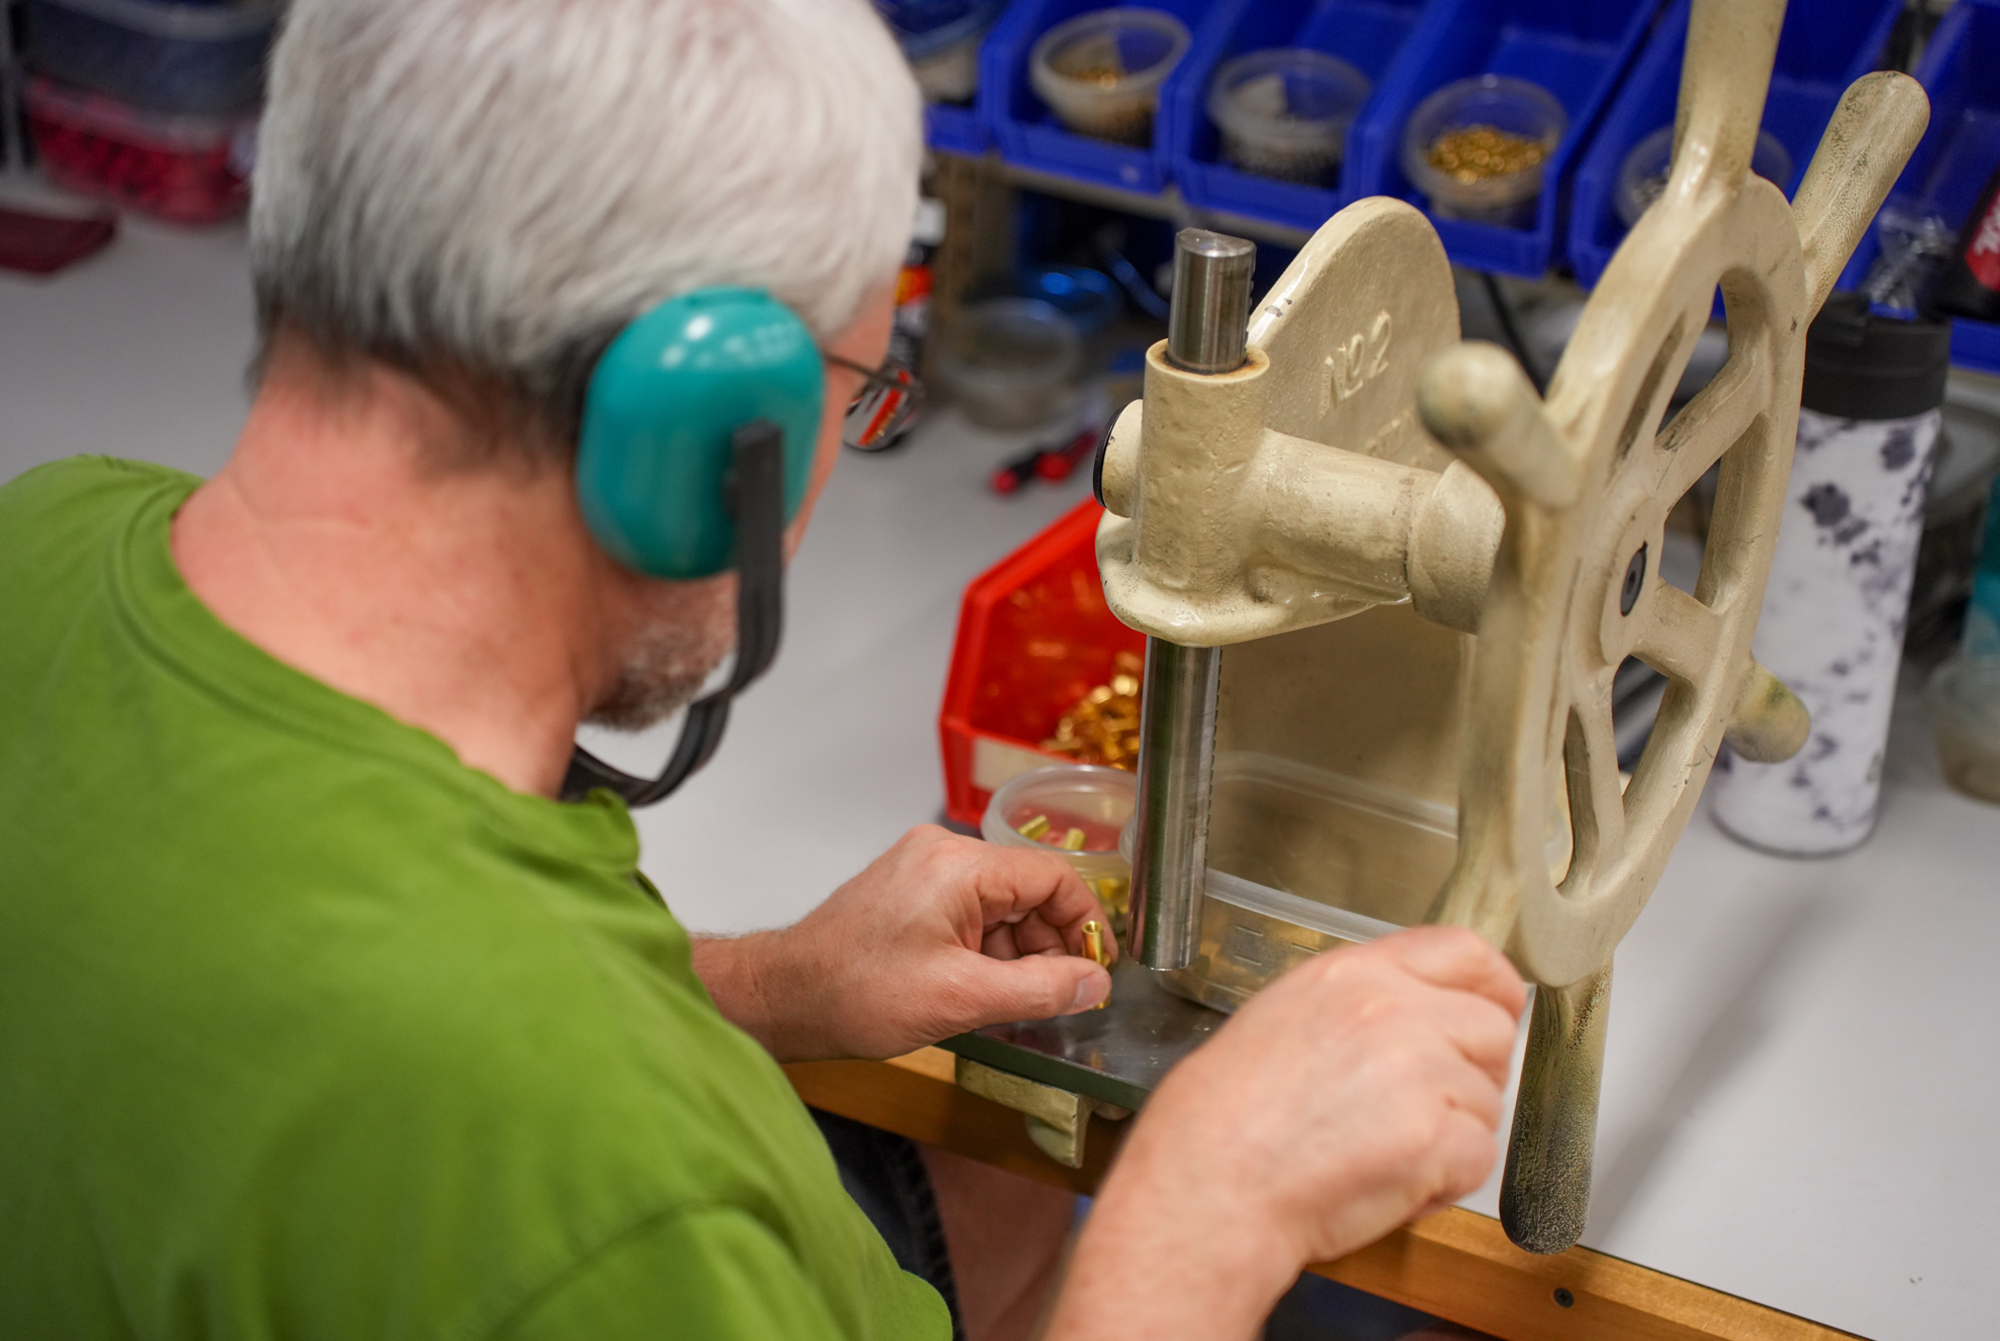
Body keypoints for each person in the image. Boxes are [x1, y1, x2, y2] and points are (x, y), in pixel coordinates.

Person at [0, 0, 1527, 1337]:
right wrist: (1209, 1204)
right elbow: (497, 1093)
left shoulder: (53, 533)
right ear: (702, 433)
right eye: (855, 391)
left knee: (982, 1184)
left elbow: (330, 997)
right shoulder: (601, 1190)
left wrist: (762, 981)